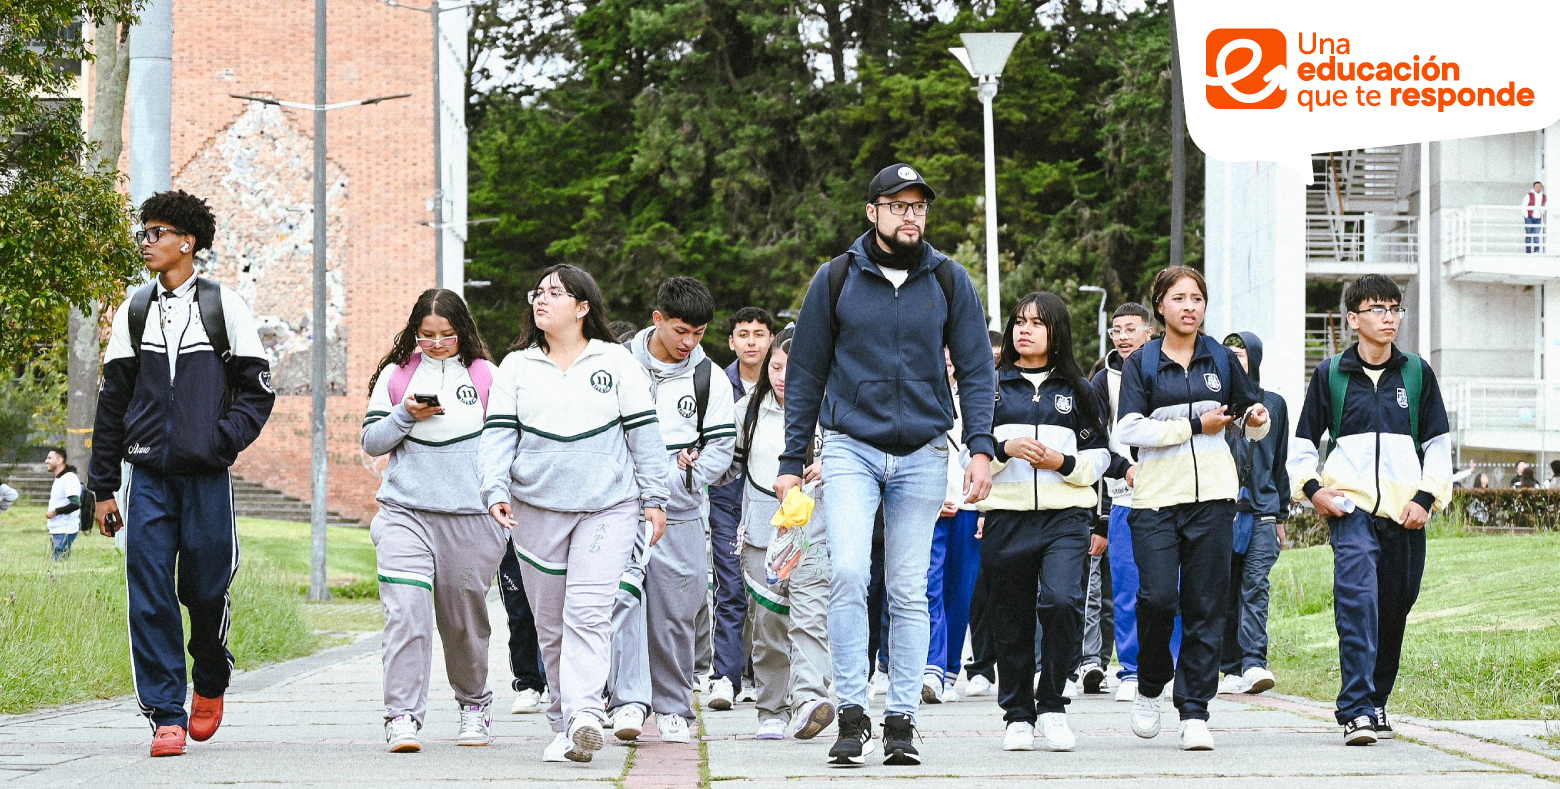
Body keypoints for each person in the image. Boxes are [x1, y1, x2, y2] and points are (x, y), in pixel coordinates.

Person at [778, 162, 995, 768]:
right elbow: (805, 373)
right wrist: (792, 460)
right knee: (848, 574)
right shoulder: (836, 277)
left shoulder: (949, 280)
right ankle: (851, 712)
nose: (910, 215)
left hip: (924, 452)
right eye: (897, 205)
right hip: (849, 446)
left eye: (918, 206)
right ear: (872, 211)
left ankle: (901, 719)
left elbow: (977, 369)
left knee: (906, 587)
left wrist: (980, 448)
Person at [89, 190, 276, 757]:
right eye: (143, 232)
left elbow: (257, 392)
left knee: (204, 587)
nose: (146, 242)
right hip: (145, 475)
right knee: (148, 592)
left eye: (156, 232)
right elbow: (112, 404)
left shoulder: (226, 307)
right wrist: (101, 488)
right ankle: (165, 712)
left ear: (186, 242)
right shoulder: (135, 309)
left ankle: (211, 671)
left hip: (205, 476)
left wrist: (219, 442)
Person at [480, 264, 670, 764]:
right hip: (535, 511)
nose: (541, 300)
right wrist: (493, 489)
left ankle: (585, 712)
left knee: (588, 612)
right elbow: (498, 436)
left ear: (583, 307)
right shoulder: (516, 366)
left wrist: (655, 499)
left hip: (608, 508)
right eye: (538, 292)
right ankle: (565, 724)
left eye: (555, 293)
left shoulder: (617, 362)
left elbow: (644, 435)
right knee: (550, 623)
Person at [1288, 273, 1451, 746]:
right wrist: (1314, 489)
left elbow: (1439, 445)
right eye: (1378, 309)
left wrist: (1426, 498)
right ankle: (1356, 709)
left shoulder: (1417, 373)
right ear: (1353, 318)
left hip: (1405, 514)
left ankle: (1378, 700)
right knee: (1359, 602)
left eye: (1395, 308)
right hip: (1351, 510)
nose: (1389, 318)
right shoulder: (1330, 375)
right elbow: (1302, 446)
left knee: (1395, 607)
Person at [1116, 265, 1269, 751]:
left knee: (1206, 605)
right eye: (1179, 298)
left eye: (1197, 298)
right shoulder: (1142, 363)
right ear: (1160, 306)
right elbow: (1130, 431)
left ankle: (1195, 710)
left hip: (1214, 499)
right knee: (1158, 599)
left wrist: (1257, 420)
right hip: (1157, 499)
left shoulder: (1222, 360)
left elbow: (1247, 418)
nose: (1189, 306)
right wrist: (1191, 427)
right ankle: (1149, 683)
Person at [361, 289, 507, 753]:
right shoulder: (397, 374)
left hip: (471, 519)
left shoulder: (487, 376)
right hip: (407, 514)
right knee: (406, 613)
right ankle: (401, 716)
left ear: (463, 331)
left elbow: (507, 446)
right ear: (414, 333)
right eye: (427, 336)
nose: (438, 343)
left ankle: (474, 705)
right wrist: (405, 413)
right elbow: (372, 442)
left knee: (464, 623)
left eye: (447, 334)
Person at [607, 277, 737, 746]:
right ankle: (625, 702)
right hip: (620, 509)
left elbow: (722, 447)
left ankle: (673, 708)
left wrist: (688, 476)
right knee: (621, 606)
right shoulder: (615, 362)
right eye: (681, 330)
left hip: (680, 514)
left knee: (676, 614)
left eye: (699, 333)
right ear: (657, 319)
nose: (688, 342)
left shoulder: (710, 377)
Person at [978, 292, 1110, 752]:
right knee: (1009, 619)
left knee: (1061, 602)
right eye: (1018, 321)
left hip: (1066, 517)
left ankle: (1052, 705)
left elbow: (1102, 455)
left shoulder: (1079, 390)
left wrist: (1063, 462)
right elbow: (967, 453)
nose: (1024, 330)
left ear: (1057, 332)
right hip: (1006, 517)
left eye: (1036, 322)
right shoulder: (989, 387)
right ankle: (1017, 714)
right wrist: (1002, 450)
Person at [729, 327, 836, 740]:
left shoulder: (833, 412)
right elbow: (727, 468)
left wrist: (832, 464)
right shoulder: (747, 412)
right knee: (769, 623)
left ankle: (807, 700)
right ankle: (771, 707)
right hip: (762, 535)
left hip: (817, 534)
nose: (782, 377)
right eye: (775, 367)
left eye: (793, 370)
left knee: (810, 617)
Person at [1088, 302, 1180, 704]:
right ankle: (1130, 669)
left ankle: (1171, 666)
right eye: (1117, 330)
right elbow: (1093, 438)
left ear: (1149, 332)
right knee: (1127, 589)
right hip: (1126, 496)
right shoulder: (1101, 381)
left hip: (1175, 493)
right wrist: (1122, 469)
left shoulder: (1170, 369)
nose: (1123, 336)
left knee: (1169, 590)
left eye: (1131, 329)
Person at [705, 306, 775, 711]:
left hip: (773, 504)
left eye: (759, 334)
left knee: (770, 593)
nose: (751, 341)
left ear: (770, 340)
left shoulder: (787, 383)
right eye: (743, 334)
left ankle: (764, 677)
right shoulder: (716, 384)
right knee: (730, 589)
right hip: (728, 502)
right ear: (731, 342)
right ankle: (725, 677)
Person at [1216, 332, 1289, 697]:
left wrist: (1281, 516)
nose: (1237, 359)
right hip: (1223, 512)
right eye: (1229, 354)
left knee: (1255, 586)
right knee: (1224, 590)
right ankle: (1229, 666)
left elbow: (1280, 463)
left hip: (1262, 511)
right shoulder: (1216, 407)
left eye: (1242, 354)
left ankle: (1254, 662)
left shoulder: (1274, 404)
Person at [924, 349, 983, 705]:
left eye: (951, 359)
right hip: (927, 509)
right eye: (940, 357)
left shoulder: (977, 401)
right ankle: (930, 667)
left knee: (960, 593)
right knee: (929, 587)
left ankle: (948, 670)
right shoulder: (918, 396)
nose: (946, 365)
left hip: (968, 506)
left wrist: (984, 509)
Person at [962, 329, 1006, 700]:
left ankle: (1015, 664)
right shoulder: (976, 395)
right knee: (977, 596)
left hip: (1005, 505)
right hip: (975, 502)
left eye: (997, 356)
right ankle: (979, 666)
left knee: (1006, 593)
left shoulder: (1006, 391)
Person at [498, 546, 547, 714]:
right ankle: (528, 685)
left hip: (556, 528)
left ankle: (564, 685)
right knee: (519, 612)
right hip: (514, 534)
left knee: (560, 609)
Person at [43, 448, 83, 561]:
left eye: (50, 458)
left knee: (59, 561)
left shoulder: (69, 478)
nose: (46, 461)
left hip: (65, 528)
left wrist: (55, 512)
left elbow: (75, 504)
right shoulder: (60, 479)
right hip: (58, 528)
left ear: (60, 460)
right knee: (57, 560)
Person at [1526, 181, 1546, 254]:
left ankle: (1536, 251)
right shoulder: (1529, 195)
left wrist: (1542, 214)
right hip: (1530, 217)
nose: (1538, 188)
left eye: (1540, 186)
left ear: (1542, 187)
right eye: (1536, 186)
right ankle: (1528, 251)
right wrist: (1526, 216)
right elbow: (1524, 206)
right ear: (1534, 187)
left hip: (1538, 218)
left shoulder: (1543, 196)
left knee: (1536, 234)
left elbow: (1544, 206)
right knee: (1528, 234)